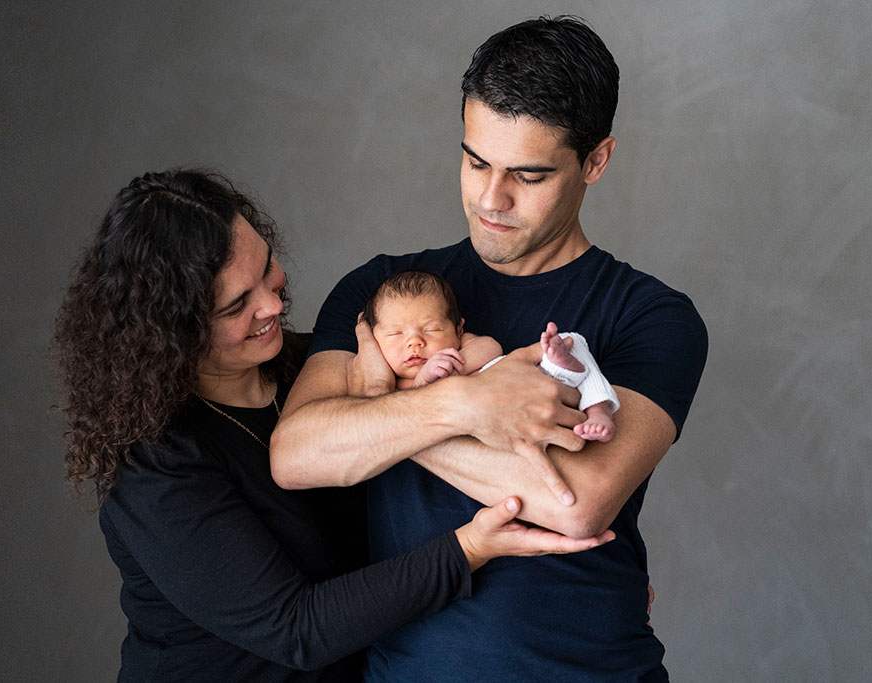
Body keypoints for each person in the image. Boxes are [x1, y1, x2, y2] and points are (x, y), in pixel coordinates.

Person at [271, 15, 708, 681]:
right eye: (476, 161)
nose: (491, 198)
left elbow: (579, 502)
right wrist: (469, 405)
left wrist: (398, 406)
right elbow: (298, 451)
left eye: (527, 175)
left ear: (596, 160)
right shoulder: (384, 295)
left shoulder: (653, 316)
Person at [51, 169, 613, 682]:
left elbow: (415, 492)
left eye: (266, 268)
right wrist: (468, 548)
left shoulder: (313, 367)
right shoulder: (154, 462)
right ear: (171, 331)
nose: (273, 304)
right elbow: (296, 629)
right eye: (236, 305)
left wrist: (574, 595)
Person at [362, 269, 619, 440]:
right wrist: (424, 382)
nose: (414, 342)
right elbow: (404, 414)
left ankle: (598, 410)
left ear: (459, 328)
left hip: (536, 378)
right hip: (513, 417)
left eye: (432, 329)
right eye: (395, 334)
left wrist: (457, 368)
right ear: (374, 339)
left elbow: (491, 347)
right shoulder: (395, 386)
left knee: (569, 341)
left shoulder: (463, 345)